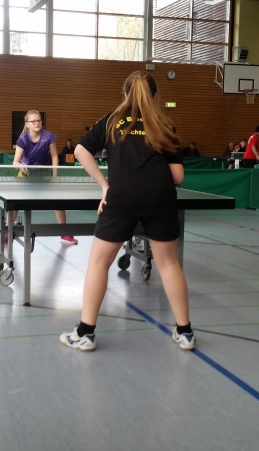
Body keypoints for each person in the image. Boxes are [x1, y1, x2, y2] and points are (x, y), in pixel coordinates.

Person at [60, 71, 194, 351]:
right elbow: (178, 176)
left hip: (121, 196)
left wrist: (104, 186)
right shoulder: (165, 124)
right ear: (155, 96)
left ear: (124, 95)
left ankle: (85, 333)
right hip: (160, 197)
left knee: (99, 263)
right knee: (169, 264)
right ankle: (185, 332)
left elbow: (81, 150)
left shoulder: (111, 120)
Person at [12, 110, 76, 245]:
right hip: (26, 172)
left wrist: (54, 174)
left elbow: (54, 156)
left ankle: (64, 232)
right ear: (27, 124)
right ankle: (7, 232)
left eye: (39, 121)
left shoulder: (48, 136)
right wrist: (20, 166)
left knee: (58, 201)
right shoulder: (22, 140)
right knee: (14, 203)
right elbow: (15, 161)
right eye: (33, 121)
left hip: (45, 171)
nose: (37, 123)